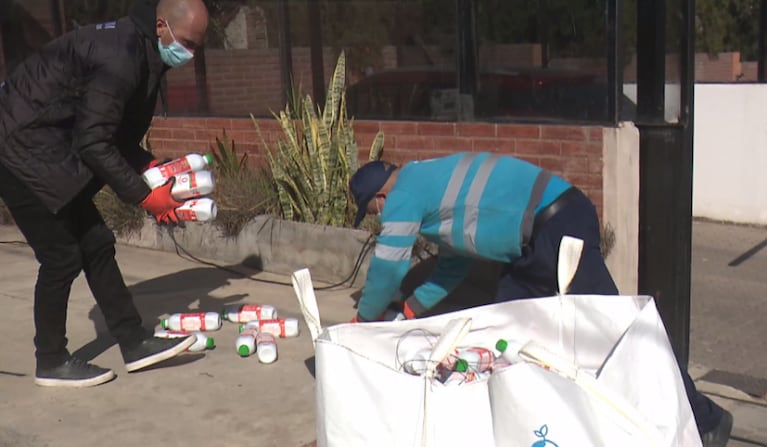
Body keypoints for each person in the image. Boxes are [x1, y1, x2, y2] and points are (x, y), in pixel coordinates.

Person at [349, 152, 732, 446]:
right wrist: (407, 311)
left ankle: (706, 419)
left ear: (379, 197)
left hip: (558, 225)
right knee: (503, 331)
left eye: (371, 212)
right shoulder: (430, 190)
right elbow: (452, 270)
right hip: (532, 245)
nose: (378, 219)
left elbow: (387, 266)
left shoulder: (404, 193)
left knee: (615, 328)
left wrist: (365, 322)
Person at [0, 0, 209, 387]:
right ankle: (51, 361)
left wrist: (149, 168)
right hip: (18, 152)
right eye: (188, 43)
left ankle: (134, 342)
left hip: (48, 150)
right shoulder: (122, 58)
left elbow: (115, 133)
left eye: (198, 46)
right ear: (162, 26)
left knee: (96, 243)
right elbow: (95, 143)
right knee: (61, 256)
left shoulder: (145, 53)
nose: (191, 54)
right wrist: (146, 198)